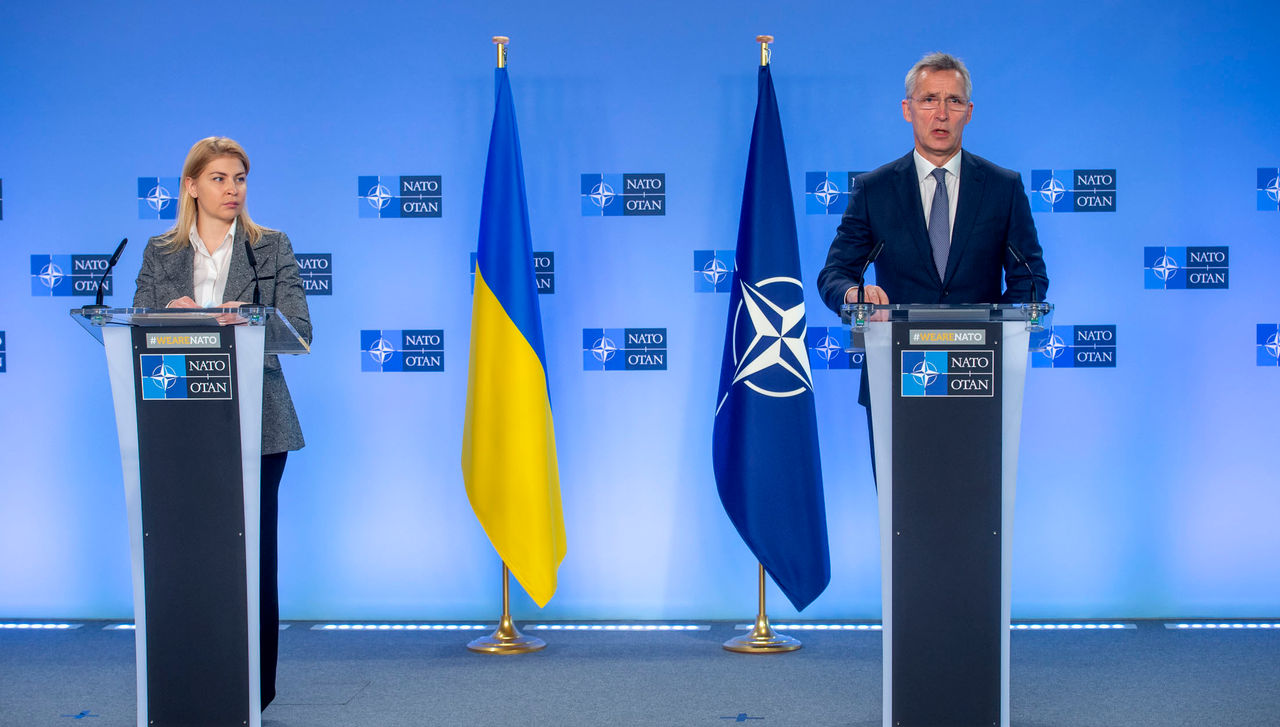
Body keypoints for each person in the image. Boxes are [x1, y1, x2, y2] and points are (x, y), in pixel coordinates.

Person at [133, 136, 310, 710]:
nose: (232, 189)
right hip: (179, 429)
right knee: (186, 556)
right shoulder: (160, 253)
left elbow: (301, 331)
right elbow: (138, 325)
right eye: (219, 178)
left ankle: (254, 692)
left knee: (252, 557)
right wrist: (167, 317)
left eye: (239, 179)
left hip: (258, 424)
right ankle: (190, 678)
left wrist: (247, 319)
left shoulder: (271, 247)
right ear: (191, 186)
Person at [816, 52, 1049, 464]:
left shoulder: (1002, 188)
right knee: (903, 518)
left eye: (954, 101)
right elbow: (834, 274)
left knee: (974, 520)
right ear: (908, 110)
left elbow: (1030, 276)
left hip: (979, 375)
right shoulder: (875, 191)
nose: (941, 113)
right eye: (928, 100)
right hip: (896, 378)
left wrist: (1005, 335)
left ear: (969, 112)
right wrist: (854, 295)